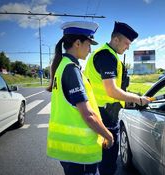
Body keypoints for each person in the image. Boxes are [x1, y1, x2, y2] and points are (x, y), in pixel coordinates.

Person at [46, 21, 114, 175]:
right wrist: (108, 135)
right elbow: (88, 115)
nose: (90, 50)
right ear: (77, 43)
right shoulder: (71, 69)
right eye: (89, 44)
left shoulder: (63, 65)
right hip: (80, 152)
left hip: (70, 152)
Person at [85, 21, 150, 175]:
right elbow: (112, 91)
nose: (128, 47)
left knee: (101, 162)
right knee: (107, 165)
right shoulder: (106, 56)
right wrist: (138, 99)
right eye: (126, 43)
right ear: (116, 40)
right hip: (105, 117)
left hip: (102, 113)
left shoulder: (106, 53)